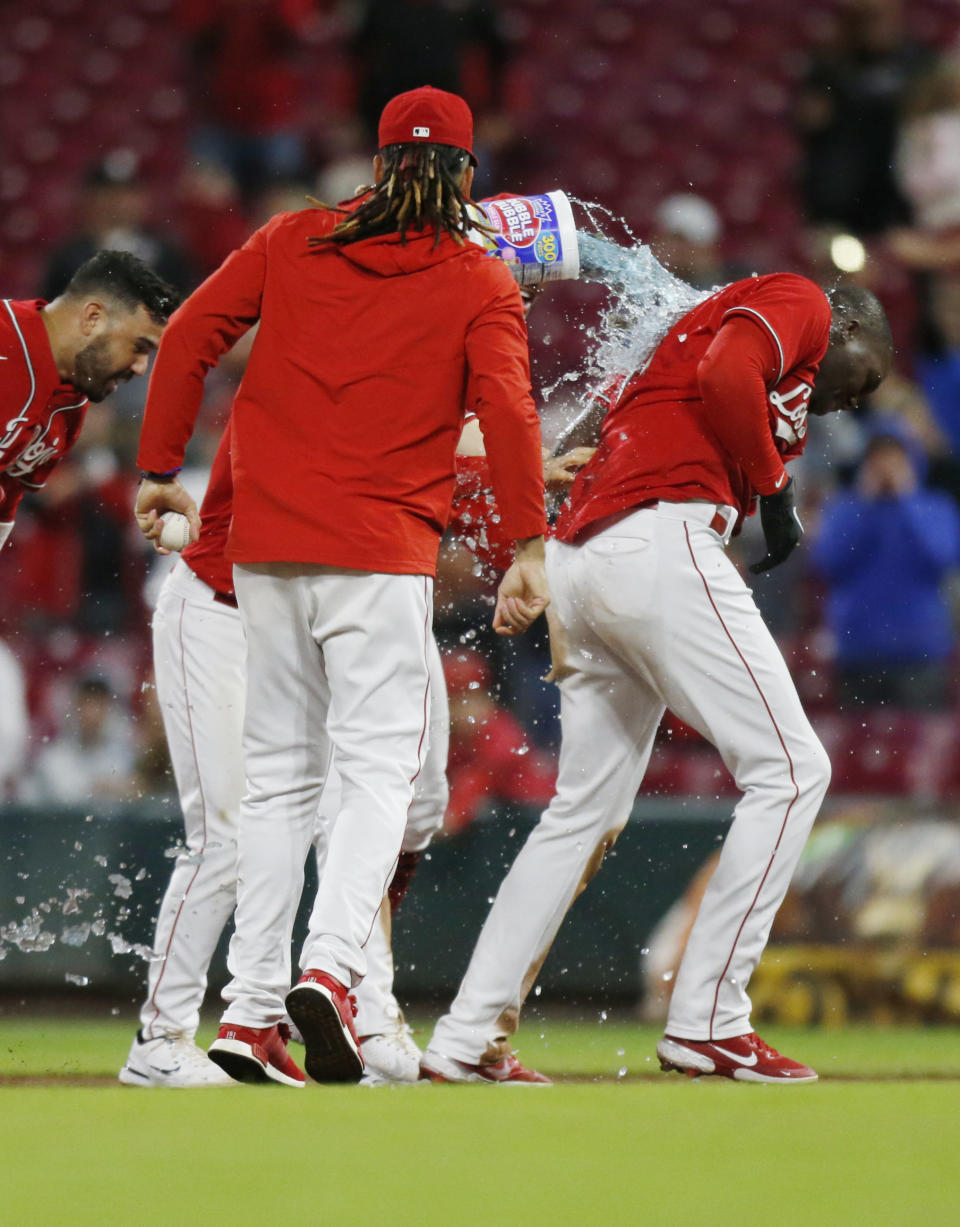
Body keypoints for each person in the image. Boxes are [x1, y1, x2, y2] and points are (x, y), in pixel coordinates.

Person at [134, 85, 549, 1086]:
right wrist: (531, 539)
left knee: (277, 779)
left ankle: (248, 1016)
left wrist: (157, 470)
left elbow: (186, 334)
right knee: (373, 774)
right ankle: (330, 969)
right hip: (380, 552)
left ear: (376, 164)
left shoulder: (290, 238)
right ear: (462, 172)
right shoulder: (479, 276)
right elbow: (507, 408)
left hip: (266, 547)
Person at [422, 274, 893, 1085]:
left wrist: (535, 548)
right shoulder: (802, 300)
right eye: (870, 373)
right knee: (792, 769)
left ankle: (466, 1036)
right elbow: (723, 375)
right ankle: (711, 1019)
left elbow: (622, 415)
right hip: (659, 541)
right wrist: (775, 492)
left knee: (582, 811)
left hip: (584, 559)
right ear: (850, 322)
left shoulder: (718, 352)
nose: (857, 400)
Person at [1, 251, 177, 553]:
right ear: (93, 318)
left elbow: (6, 508)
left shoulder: (70, 410)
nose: (140, 368)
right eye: (139, 346)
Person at [811, 424, 960, 709]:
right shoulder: (845, 507)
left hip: (919, 652)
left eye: (894, 458)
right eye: (878, 458)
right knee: (854, 748)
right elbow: (827, 563)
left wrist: (907, 500)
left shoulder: (935, 507)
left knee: (924, 747)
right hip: (857, 653)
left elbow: (941, 560)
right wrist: (865, 502)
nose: (886, 466)